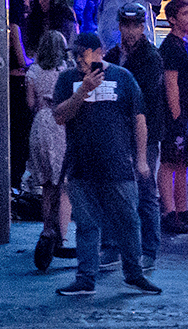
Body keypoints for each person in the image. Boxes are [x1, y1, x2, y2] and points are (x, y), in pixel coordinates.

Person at [52, 32, 162, 296]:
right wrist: (83, 91)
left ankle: (134, 273)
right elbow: (59, 116)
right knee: (87, 224)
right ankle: (85, 277)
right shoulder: (68, 79)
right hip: (80, 165)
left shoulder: (122, 77)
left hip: (118, 164)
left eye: (83, 54)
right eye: (75, 55)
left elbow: (139, 118)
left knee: (128, 220)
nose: (78, 60)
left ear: (98, 52)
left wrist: (142, 159)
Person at [105, 5, 165, 269]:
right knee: (112, 190)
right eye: (126, 26)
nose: (130, 31)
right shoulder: (113, 55)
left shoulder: (151, 57)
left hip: (145, 134)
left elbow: (142, 95)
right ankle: (111, 246)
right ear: (120, 26)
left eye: (135, 26)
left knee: (144, 190)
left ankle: (149, 248)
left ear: (142, 27)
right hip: (116, 134)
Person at [25, 30, 77, 268]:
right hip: (59, 122)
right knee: (63, 184)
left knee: (46, 184)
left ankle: (47, 230)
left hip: (40, 123)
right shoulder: (66, 71)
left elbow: (30, 103)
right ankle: (63, 237)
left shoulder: (33, 71)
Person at [157, 0, 188, 234]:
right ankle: (168, 211)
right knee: (169, 163)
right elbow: (171, 84)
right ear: (172, 19)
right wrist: (176, 119)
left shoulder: (185, 43)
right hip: (177, 118)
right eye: (184, 13)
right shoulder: (170, 48)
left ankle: (183, 210)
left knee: (183, 163)